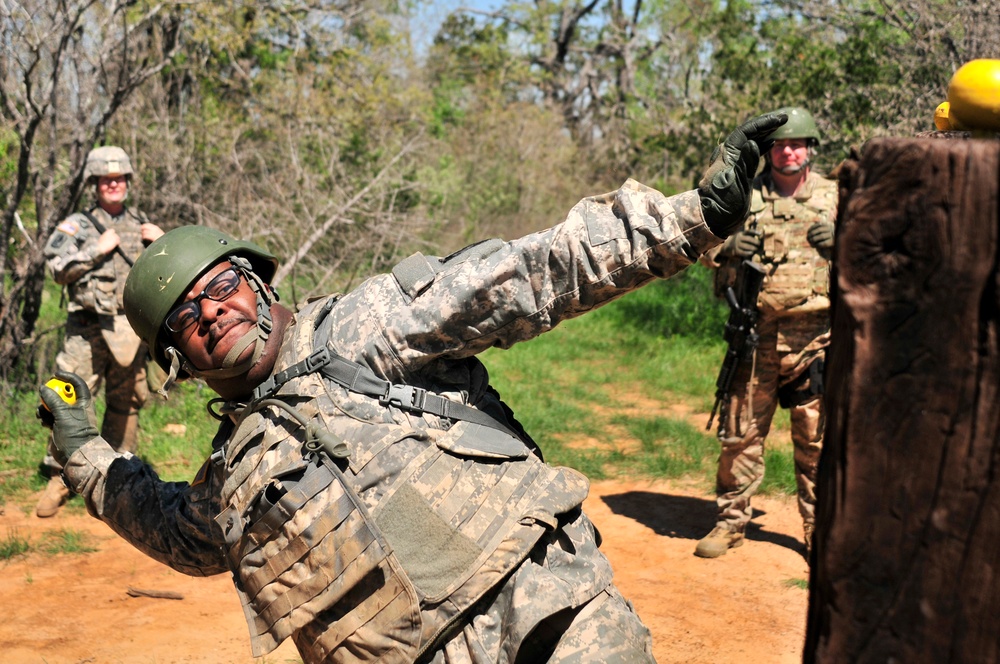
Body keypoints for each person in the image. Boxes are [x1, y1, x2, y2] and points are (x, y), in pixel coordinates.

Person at [39, 113, 786, 663]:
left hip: (549, 624)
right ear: (179, 360)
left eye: (223, 287)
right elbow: (176, 529)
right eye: (186, 322)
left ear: (259, 281)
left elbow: (534, 273)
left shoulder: (365, 324)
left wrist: (694, 219)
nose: (213, 315)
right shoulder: (235, 474)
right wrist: (82, 452)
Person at [695, 107, 838, 560]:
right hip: (755, 337)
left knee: (817, 439)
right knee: (739, 434)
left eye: (797, 144)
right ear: (770, 151)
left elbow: (880, 255)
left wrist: (845, 242)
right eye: (780, 145)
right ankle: (731, 522)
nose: (789, 151)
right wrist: (726, 249)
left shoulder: (837, 198)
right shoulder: (745, 197)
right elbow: (699, 241)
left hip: (815, 338)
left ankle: (819, 529)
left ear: (810, 149)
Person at [34, 146, 164, 518]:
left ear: (127, 182)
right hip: (88, 328)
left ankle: (118, 476)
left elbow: (168, 272)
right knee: (72, 400)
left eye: (119, 178)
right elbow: (55, 267)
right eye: (106, 179)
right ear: (94, 183)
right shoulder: (78, 224)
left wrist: (162, 240)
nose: (114, 184)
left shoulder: (141, 223)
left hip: (129, 327)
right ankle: (62, 478)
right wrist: (95, 248)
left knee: (127, 402)